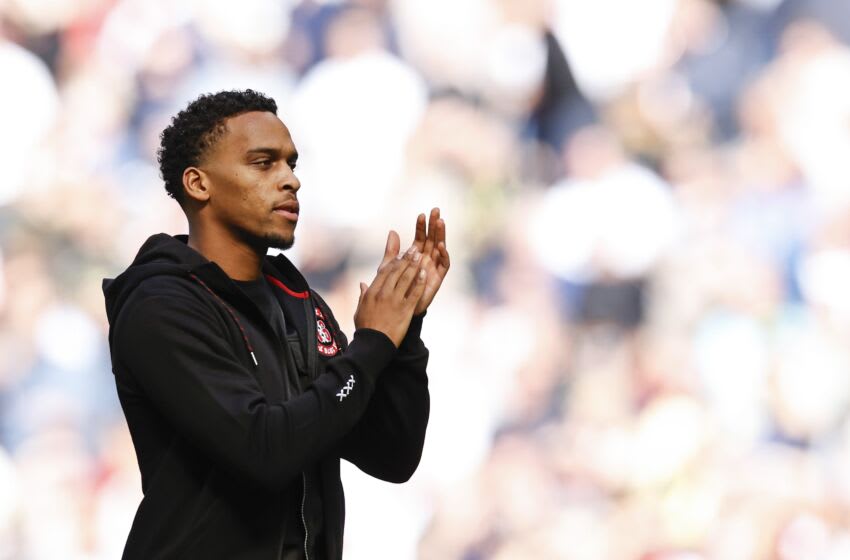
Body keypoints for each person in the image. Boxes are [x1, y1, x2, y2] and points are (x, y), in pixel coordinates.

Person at [102, 89, 449, 559]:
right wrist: (370, 345)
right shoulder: (161, 305)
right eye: (264, 163)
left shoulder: (299, 302)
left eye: (291, 164)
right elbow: (264, 451)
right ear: (198, 183)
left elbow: (391, 455)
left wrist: (404, 333)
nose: (290, 181)